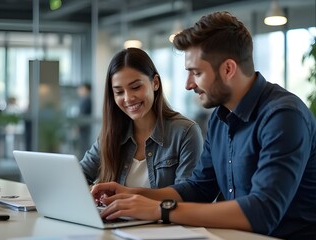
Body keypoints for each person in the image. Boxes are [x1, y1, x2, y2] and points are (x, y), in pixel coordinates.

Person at [91, 12, 316, 239]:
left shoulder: (284, 117)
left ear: (228, 69)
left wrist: (161, 209)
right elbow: (199, 189)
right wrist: (133, 194)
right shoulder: (220, 117)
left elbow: (262, 212)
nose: (189, 85)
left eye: (196, 73)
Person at [80, 47, 203, 188]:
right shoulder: (112, 134)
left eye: (136, 87)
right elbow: (77, 176)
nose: (128, 98)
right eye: (119, 92)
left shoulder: (185, 133)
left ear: (155, 83)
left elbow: (186, 196)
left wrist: (129, 198)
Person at [76, 83, 93, 156]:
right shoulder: (85, 100)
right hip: (84, 127)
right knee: (83, 146)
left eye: (82, 89)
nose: (80, 91)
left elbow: (82, 115)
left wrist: (78, 126)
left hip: (84, 127)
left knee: (84, 146)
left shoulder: (86, 100)